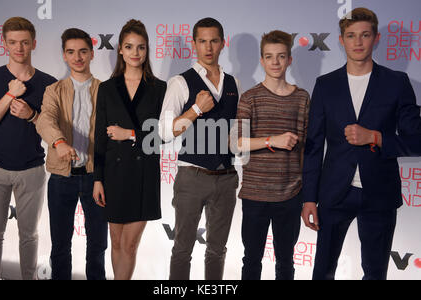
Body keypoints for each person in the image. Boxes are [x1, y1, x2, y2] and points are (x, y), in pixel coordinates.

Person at [301, 7, 421, 280]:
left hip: (379, 194)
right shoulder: (325, 85)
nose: (358, 42)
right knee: (322, 272)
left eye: (365, 35)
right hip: (334, 194)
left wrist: (376, 137)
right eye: (351, 36)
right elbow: (313, 145)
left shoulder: (396, 82)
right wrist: (309, 198)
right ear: (341, 40)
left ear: (375, 38)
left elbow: (416, 140)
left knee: (376, 273)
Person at [0, 17, 56, 280]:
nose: (19, 48)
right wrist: (9, 95)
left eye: (24, 42)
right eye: (13, 42)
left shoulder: (49, 83)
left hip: (32, 169)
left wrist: (31, 114)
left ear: (33, 43)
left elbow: (55, 130)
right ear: (4, 43)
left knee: (29, 235)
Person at [159, 17, 240, 280]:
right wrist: (195, 110)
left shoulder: (233, 83)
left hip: (226, 177)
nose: (208, 47)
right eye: (202, 41)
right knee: (183, 249)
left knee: (217, 250)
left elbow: (235, 132)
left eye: (214, 41)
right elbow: (163, 131)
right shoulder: (180, 82)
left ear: (222, 43)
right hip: (192, 176)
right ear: (194, 44)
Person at [93, 19, 166, 280]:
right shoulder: (106, 88)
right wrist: (98, 178)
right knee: (115, 242)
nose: (135, 53)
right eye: (129, 46)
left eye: (141, 47)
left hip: (144, 173)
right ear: (120, 51)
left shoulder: (159, 88)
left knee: (130, 244)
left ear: (147, 51)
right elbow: (99, 138)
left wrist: (130, 134)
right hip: (113, 174)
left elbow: (163, 135)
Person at [235, 30, 310, 280]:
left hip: (290, 195)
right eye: (269, 56)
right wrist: (272, 141)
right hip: (255, 194)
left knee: (286, 262)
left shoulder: (301, 98)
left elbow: (306, 149)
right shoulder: (250, 98)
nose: (275, 62)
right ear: (262, 60)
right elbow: (235, 143)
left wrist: (306, 193)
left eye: (280, 56)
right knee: (252, 261)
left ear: (290, 60)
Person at [36, 28, 107, 280]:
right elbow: (44, 120)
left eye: (83, 51)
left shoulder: (105, 90)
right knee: (60, 247)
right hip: (60, 178)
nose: (77, 57)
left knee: (98, 245)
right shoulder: (53, 90)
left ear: (91, 54)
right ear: (64, 56)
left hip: (96, 178)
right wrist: (59, 142)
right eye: (71, 52)